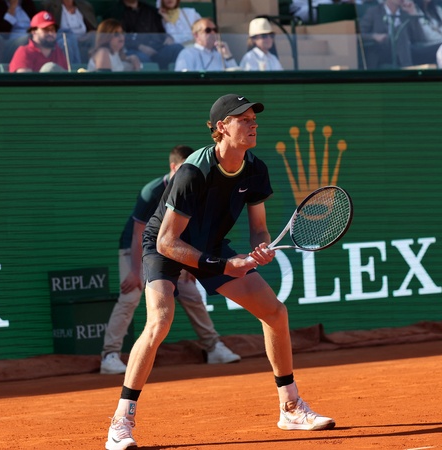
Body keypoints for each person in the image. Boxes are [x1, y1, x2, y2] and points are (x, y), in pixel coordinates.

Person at [104, 94, 335, 450]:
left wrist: (261, 249)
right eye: (243, 119)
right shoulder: (193, 172)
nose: (253, 124)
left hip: (210, 244)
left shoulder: (255, 169)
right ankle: (122, 421)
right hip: (166, 244)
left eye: (254, 118)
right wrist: (226, 265)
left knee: (275, 312)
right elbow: (167, 241)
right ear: (222, 127)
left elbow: (259, 229)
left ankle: (290, 407)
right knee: (159, 321)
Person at [100, 144, 241, 375]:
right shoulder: (152, 191)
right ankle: (110, 356)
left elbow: (191, 229)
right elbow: (137, 234)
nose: (192, 172)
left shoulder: (195, 188)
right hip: (137, 248)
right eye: (186, 168)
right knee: (131, 295)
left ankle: (214, 347)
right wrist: (135, 272)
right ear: (174, 167)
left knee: (191, 293)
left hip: (173, 247)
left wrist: (191, 264)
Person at [109, 0, 183, 70]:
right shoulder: (116, 12)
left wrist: (168, 37)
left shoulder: (150, 9)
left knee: (177, 48)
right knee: (143, 58)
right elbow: (119, 38)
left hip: (158, 48)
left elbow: (161, 30)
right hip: (135, 50)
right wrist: (140, 46)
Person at [359, 0, 426, 69]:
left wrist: (413, 14)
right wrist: (374, 36)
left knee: (433, 49)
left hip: (407, 50)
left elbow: (420, 38)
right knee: (399, 31)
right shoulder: (374, 11)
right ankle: (407, 67)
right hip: (382, 49)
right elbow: (358, 34)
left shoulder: (404, 12)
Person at [44, 0, 97, 64]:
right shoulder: (51, 6)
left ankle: (96, 67)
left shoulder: (84, 6)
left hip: (83, 39)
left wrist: (89, 34)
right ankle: (71, 69)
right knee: (66, 43)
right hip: (64, 39)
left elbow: (92, 27)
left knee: (95, 36)